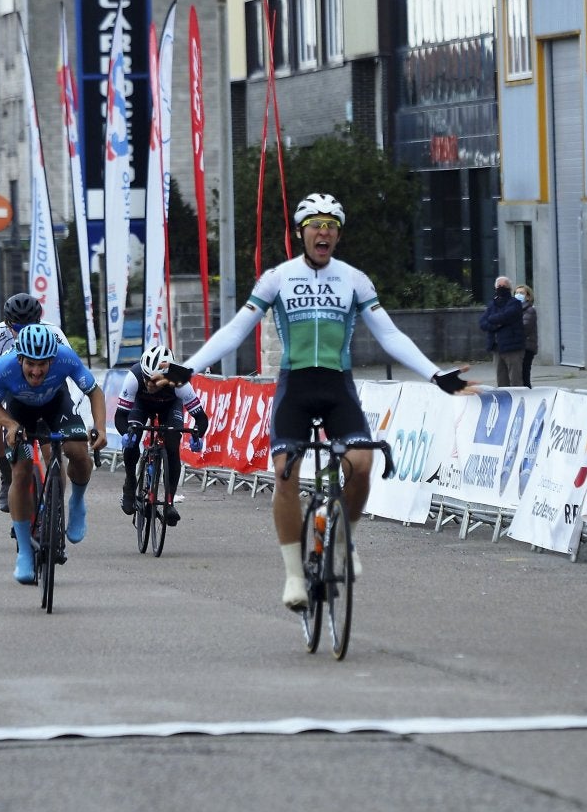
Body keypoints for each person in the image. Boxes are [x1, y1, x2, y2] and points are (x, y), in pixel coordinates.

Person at [158, 192, 477, 609]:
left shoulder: (354, 279)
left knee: (362, 463)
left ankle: (344, 540)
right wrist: (191, 366)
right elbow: (237, 329)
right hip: (296, 386)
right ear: (301, 232)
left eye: (331, 226)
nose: (323, 232)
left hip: (336, 385)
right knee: (285, 473)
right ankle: (294, 575)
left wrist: (435, 374)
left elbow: (390, 334)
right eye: (316, 225)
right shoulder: (278, 278)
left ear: (337, 235)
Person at [0, 323, 107, 584]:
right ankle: (25, 553)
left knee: (78, 450)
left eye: (43, 364)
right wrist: (10, 424)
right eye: (30, 364)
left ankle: (76, 502)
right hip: (19, 412)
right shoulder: (4, 368)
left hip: (56, 405)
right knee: (22, 470)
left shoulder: (66, 358)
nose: (37, 371)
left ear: (53, 359)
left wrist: (100, 428)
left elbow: (94, 392)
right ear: (20, 359)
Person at [0, 292, 70, 511]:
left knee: (52, 453)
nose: (23, 332)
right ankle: (8, 479)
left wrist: (73, 406)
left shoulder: (53, 333)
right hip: (11, 390)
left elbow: (71, 373)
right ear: (8, 325)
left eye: (30, 325)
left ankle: (56, 509)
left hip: (46, 391)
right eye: (18, 328)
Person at [116, 344, 208, 526]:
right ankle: (130, 482)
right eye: (146, 378)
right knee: (133, 438)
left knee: (173, 444)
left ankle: (169, 502)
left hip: (170, 406)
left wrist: (198, 434)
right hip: (140, 405)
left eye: (154, 380)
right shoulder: (134, 377)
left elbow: (200, 417)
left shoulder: (179, 380)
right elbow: (120, 416)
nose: (149, 384)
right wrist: (126, 433)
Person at [479, 276, 526, 388]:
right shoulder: (493, 304)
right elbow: (482, 322)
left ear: (509, 288)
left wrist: (492, 320)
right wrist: (497, 324)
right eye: (499, 286)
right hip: (497, 348)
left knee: (515, 381)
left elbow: (506, 316)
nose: (501, 288)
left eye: (504, 286)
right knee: (501, 381)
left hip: (512, 348)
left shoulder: (515, 303)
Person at [515, 283, 538, 388]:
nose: (518, 295)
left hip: (527, 346)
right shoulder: (515, 309)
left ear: (528, 296)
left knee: (524, 373)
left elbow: (525, 327)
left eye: (521, 293)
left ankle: (528, 394)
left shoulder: (530, 310)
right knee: (518, 374)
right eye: (516, 293)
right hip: (519, 345)